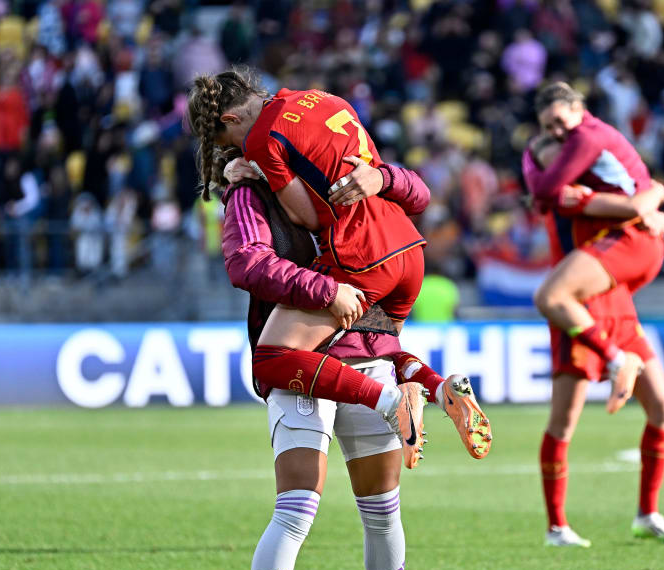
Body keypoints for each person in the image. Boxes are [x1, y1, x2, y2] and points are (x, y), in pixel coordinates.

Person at [186, 66, 491, 460]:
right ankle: (440, 387)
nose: (238, 152)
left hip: (361, 253)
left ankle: (389, 402)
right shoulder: (325, 98)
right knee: (375, 345)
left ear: (230, 118)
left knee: (270, 359)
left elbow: (307, 218)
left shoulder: (262, 137)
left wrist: (256, 172)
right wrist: (382, 179)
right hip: (409, 250)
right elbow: (419, 197)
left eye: (231, 142)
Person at [216, 149, 428, 570]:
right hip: (303, 362)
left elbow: (419, 194)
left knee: (380, 511)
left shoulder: (356, 178)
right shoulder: (253, 192)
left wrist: (380, 176)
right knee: (298, 508)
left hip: (368, 352)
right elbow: (248, 261)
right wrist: (325, 289)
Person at [525, 134, 664, 548]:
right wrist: (656, 202)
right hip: (578, 307)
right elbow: (636, 210)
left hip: (618, 302)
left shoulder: (595, 187)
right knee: (563, 422)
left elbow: (638, 218)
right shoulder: (564, 195)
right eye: (551, 158)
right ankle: (556, 526)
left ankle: (648, 513)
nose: (562, 161)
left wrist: (655, 214)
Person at [523, 81, 664, 415]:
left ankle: (619, 363)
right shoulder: (573, 193)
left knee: (552, 299)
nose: (560, 139)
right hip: (601, 276)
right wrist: (656, 197)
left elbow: (631, 207)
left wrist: (654, 199)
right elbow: (634, 204)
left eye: (560, 123)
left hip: (601, 271)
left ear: (578, 109)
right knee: (662, 408)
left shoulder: (580, 179)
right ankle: (642, 372)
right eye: (549, 131)